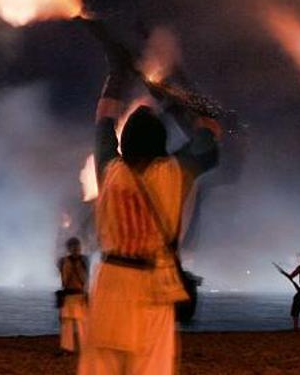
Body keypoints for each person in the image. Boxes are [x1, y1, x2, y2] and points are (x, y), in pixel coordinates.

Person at [78, 27, 219, 375]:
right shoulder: (176, 172)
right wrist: (171, 94)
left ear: (125, 144)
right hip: (154, 289)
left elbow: (103, 120)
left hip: (110, 285)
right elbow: (209, 129)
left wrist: (117, 73)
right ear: (161, 144)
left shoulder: (110, 171)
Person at [58, 236, 88, 354]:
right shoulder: (64, 261)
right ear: (69, 248)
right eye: (74, 247)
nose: (76, 249)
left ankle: (84, 348)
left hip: (78, 295)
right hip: (69, 295)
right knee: (67, 323)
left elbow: (86, 279)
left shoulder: (83, 261)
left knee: (81, 323)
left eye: (77, 246)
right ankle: (67, 348)